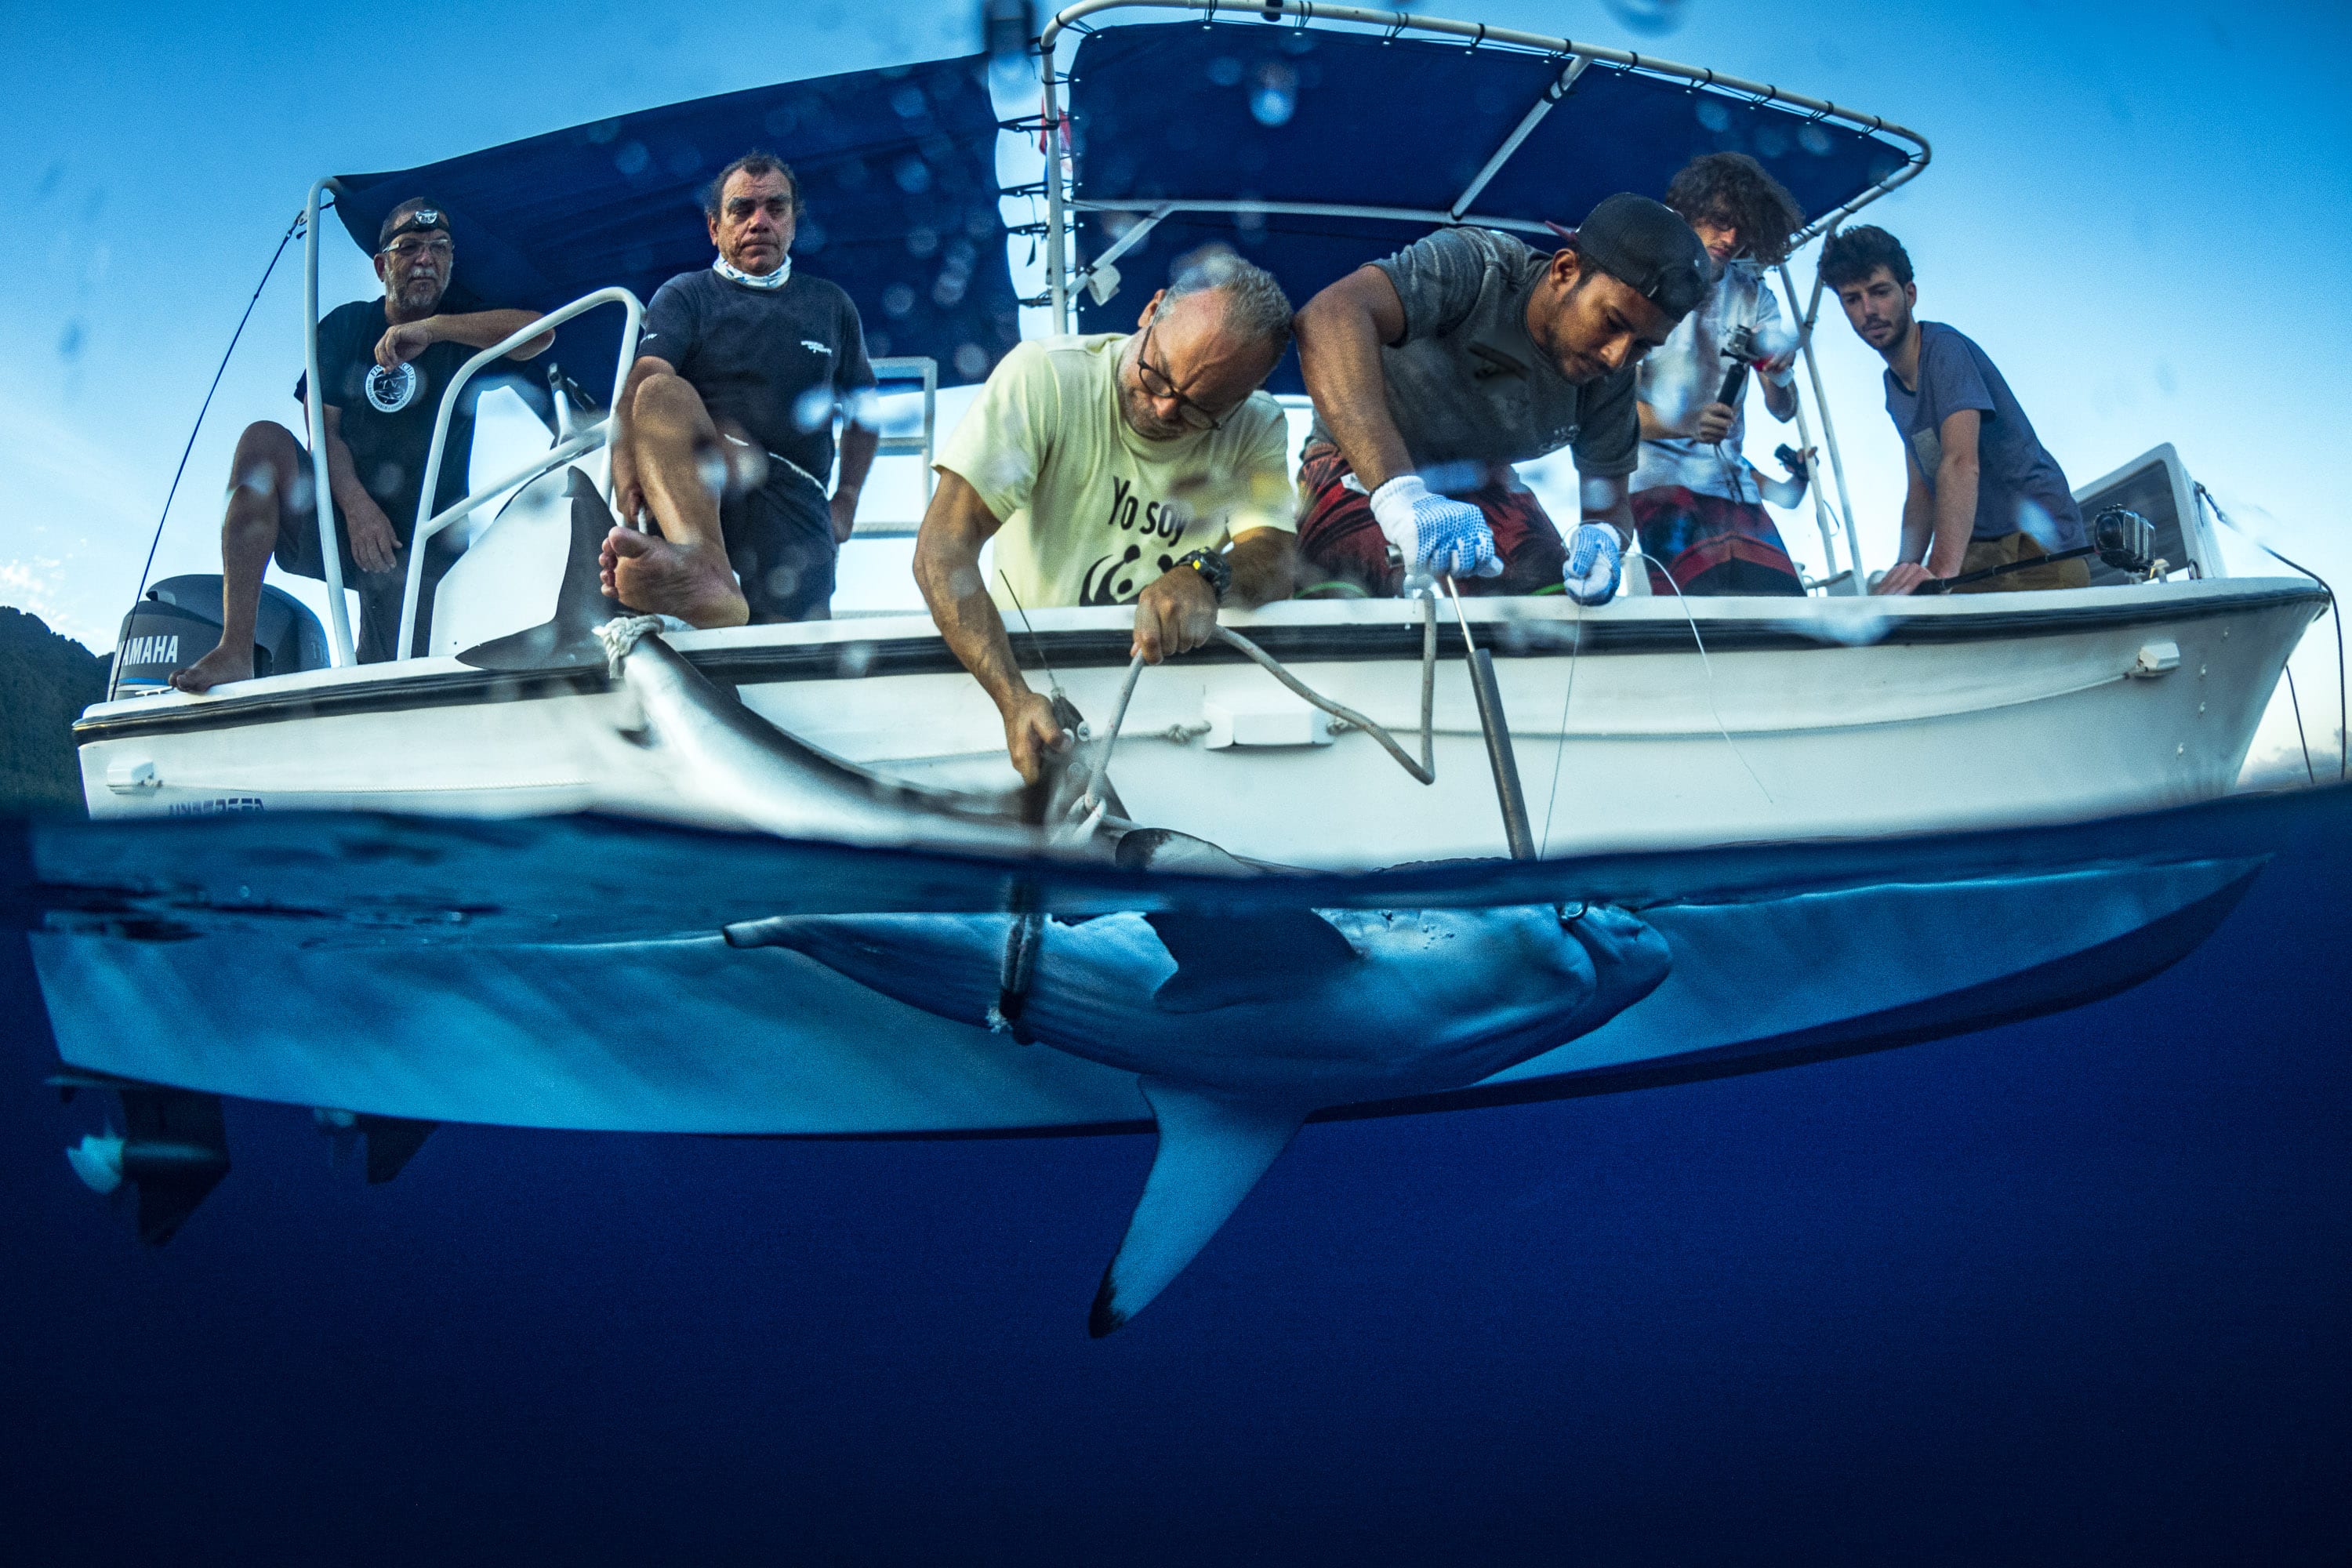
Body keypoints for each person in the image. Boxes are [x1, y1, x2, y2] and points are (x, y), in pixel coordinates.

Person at [913, 252, 1298, 785]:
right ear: (1151, 310)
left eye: (1200, 408)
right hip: (1032, 679)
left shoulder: (1257, 425)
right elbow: (942, 550)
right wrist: (1012, 697)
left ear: (1243, 397)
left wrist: (1206, 575)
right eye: (1157, 373)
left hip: (1171, 706)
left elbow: (1275, 556)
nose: (1165, 409)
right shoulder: (1047, 378)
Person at [170, 199, 549, 691]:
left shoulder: (467, 325)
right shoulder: (346, 326)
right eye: (409, 248)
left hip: (423, 545)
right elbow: (321, 431)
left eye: (439, 249)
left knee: (394, 683)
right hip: (337, 518)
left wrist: (433, 330)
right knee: (261, 441)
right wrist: (356, 506)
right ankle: (235, 649)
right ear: (380, 265)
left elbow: (541, 333)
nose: (425, 259)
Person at [1290, 193, 1709, 605]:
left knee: (1553, 606)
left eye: (1642, 346)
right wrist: (1398, 494)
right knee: (1357, 603)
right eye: (1612, 321)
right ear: (1565, 270)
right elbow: (1330, 314)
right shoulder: (1478, 268)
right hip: (1360, 462)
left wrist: (1604, 539)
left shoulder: (1610, 375)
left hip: (1484, 480)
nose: (1617, 357)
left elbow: (1609, 507)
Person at [600, 151, 878, 626]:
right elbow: (643, 382)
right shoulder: (685, 295)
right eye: (742, 209)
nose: (759, 222)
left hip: (796, 500)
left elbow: (863, 408)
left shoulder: (830, 305)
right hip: (705, 486)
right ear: (715, 228)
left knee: (793, 665)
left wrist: (847, 499)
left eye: (776, 208)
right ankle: (700, 566)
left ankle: (702, 582)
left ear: (794, 222)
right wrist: (627, 479)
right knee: (658, 392)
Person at [1819, 225, 2091, 596]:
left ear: (1909, 293)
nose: (1869, 310)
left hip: (2037, 551)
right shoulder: (1893, 386)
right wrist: (1902, 572)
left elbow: (1961, 462)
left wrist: (1941, 572)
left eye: (1880, 292)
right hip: (1982, 557)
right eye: (1852, 299)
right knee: (1894, 608)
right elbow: (1922, 492)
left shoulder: (1944, 350)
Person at [1632, 153, 1808, 597]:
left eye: (1742, 228)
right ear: (1689, 212)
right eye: (1719, 220)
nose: (1730, 238)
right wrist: (1686, 423)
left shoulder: (1755, 297)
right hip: (1661, 489)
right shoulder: (1640, 287)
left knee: (1788, 610)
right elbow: (1607, 414)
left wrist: (1781, 374)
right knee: (1707, 624)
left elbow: (1783, 411)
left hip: (1738, 491)